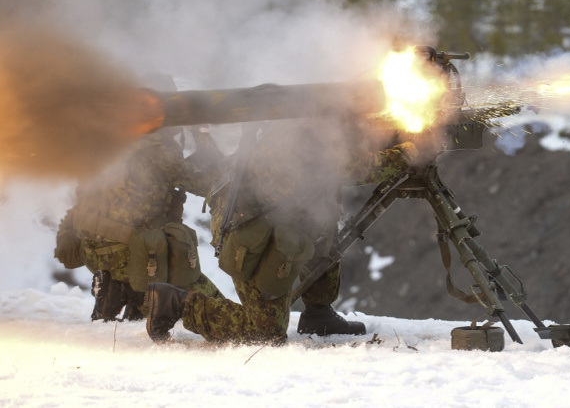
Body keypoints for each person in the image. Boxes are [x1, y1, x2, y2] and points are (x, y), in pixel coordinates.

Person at [145, 118, 417, 345]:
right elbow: (360, 167)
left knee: (320, 225)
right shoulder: (306, 133)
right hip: (249, 233)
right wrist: (412, 150)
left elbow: (361, 131)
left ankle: (318, 313)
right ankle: (175, 304)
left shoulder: (314, 118)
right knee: (264, 333)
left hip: (281, 220)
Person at [54, 123, 227, 322]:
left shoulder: (109, 141)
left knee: (145, 234)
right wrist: (202, 134)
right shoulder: (159, 151)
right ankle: (135, 292)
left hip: (93, 252)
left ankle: (120, 290)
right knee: (212, 305)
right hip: (130, 256)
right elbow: (214, 182)